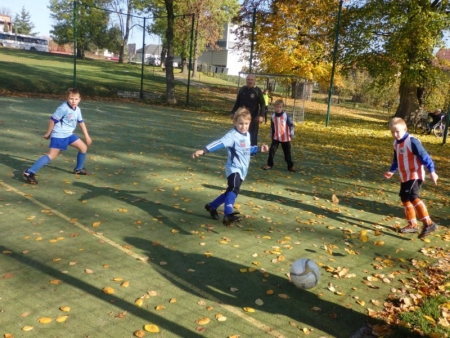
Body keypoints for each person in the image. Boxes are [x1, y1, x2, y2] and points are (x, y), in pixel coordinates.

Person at [192, 107, 269, 226]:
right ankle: (228, 214)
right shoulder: (231, 135)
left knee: (230, 191)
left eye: (246, 124)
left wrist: (259, 149)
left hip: (243, 169)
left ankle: (212, 206)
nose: (243, 127)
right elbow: (219, 143)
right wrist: (204, 150)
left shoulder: (247, 134)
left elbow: (246, 149)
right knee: (234, 188)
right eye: (240, 124)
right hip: (233, 168)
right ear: (235, 122)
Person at [23, 88, 92, 184]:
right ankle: (29, 172)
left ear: (80, 99)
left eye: (76, 99)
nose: (73, 101)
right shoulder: (63, 108)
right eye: (71, 98)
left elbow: (81, 122)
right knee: (51, 155)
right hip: (59, 135)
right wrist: (48, 133)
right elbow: (52, 120)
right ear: (67, 98)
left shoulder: (77, 109)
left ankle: (78, 169)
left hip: (68, 134)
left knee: (83, 148)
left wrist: (87, 136)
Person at [384, 117, 438, 239]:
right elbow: (396, 160)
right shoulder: (395, 144)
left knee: (413, 196)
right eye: (392, 132)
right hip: (404, 176)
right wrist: (391, 171)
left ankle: (429, 223)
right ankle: (412, 225)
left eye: (397, 131)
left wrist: (432, 171)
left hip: (415, 174)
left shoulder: (412, 141)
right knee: (404, 198)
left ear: (405, 129)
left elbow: (425, 157)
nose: (395, 134)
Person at [230, 74, 265, 147]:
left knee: (253, 133)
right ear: (246, 80)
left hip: (254, 116)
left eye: (251, 80)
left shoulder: (257, 91)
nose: (250, 81)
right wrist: (233, 112)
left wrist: (261, 115)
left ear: (254, 81)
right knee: (241, 131)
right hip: (242, 116)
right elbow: (237, 102)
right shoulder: (242, 89)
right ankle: (241, 147)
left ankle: (253, 150)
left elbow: (262, 103)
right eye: (248, 80)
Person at [263, 99, 295, 172]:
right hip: (276, 137)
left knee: (287, 152)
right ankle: (269, 164)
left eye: (280, 107)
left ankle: (290, 166)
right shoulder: (273, 116)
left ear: (282, 107)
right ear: (274, 107)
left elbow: (291, 125)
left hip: (285, 137)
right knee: (272, 150)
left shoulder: (285, 115)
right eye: (277, 107)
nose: (278, 109)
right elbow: (272, 127)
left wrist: (292, 133)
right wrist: (272, 135)